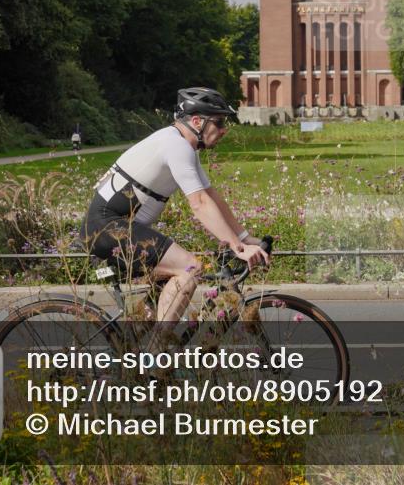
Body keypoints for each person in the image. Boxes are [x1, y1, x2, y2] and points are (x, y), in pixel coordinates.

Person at [80, 87, 270, 324]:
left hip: (116, 227)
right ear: (197, 121)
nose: (224, 130)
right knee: (190, 268)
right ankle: (156, 355)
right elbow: (199, 204)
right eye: (219, 122)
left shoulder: (182, 144)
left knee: (174, 280)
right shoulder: (176, 146)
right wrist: (238, 248)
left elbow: (211, 196)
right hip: (106, 227)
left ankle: (140, 338)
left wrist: (243, 238)